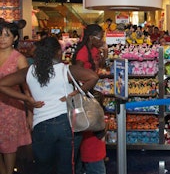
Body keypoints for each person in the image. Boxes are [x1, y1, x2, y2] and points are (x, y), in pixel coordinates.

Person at [0, 36, 99, 174]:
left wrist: (27, 99)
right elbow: (93, 77)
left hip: (41, 125)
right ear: (58, 52)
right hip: (67, 123)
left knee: (43, 168)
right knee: (66, 167)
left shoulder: (29, 71)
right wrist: (76, 93)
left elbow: (2, 84)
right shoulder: (66, 70)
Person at [71, 24, 107, 174]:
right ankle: (81, 164)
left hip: (90, 92)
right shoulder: (82, 52)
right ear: (92, 37)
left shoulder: (94, 50)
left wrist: (105, 54)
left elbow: (101, 65)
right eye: (101, 36)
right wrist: (83, 92)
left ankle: (91, 158)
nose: (103, 39)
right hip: (83, 95)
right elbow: (76, 73)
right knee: (84, 129)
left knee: (91, 130)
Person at [0, 21, 32, 174]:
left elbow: (27, 87)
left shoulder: (18, 58)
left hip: (11, 108)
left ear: (15, 38)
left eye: (7, 35)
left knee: (8, 147)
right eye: (0, 34)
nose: (2, 38)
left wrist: (30, 113)